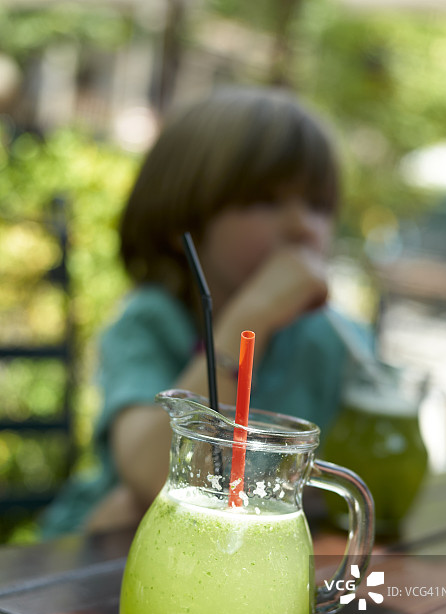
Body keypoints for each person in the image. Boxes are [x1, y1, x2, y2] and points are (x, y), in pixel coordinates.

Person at [40, 84, 374, 538]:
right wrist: (253, 315)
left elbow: (373, 481)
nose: (301, 226)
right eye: (266, 201)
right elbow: (153, 476)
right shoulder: (151, 323)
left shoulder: (335, 341)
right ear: (187, 217)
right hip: (97, 551)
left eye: (318, 206)